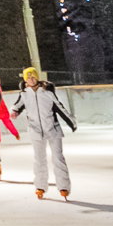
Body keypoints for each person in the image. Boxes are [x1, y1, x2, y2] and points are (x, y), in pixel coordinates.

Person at [13, 65, 74, 200]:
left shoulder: (47, 92)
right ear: (25, 80)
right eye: (28, 77)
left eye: (33, 76)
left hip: (53, 129)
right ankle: (40, 185)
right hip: (35, 131)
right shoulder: (24, 94)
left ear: (37, 77)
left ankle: (63, 186)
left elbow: (60, 107)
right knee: (39, 159)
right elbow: (17, 105)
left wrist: (71, 122)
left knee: (58, 158)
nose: (31, 79)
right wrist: (14, 111)